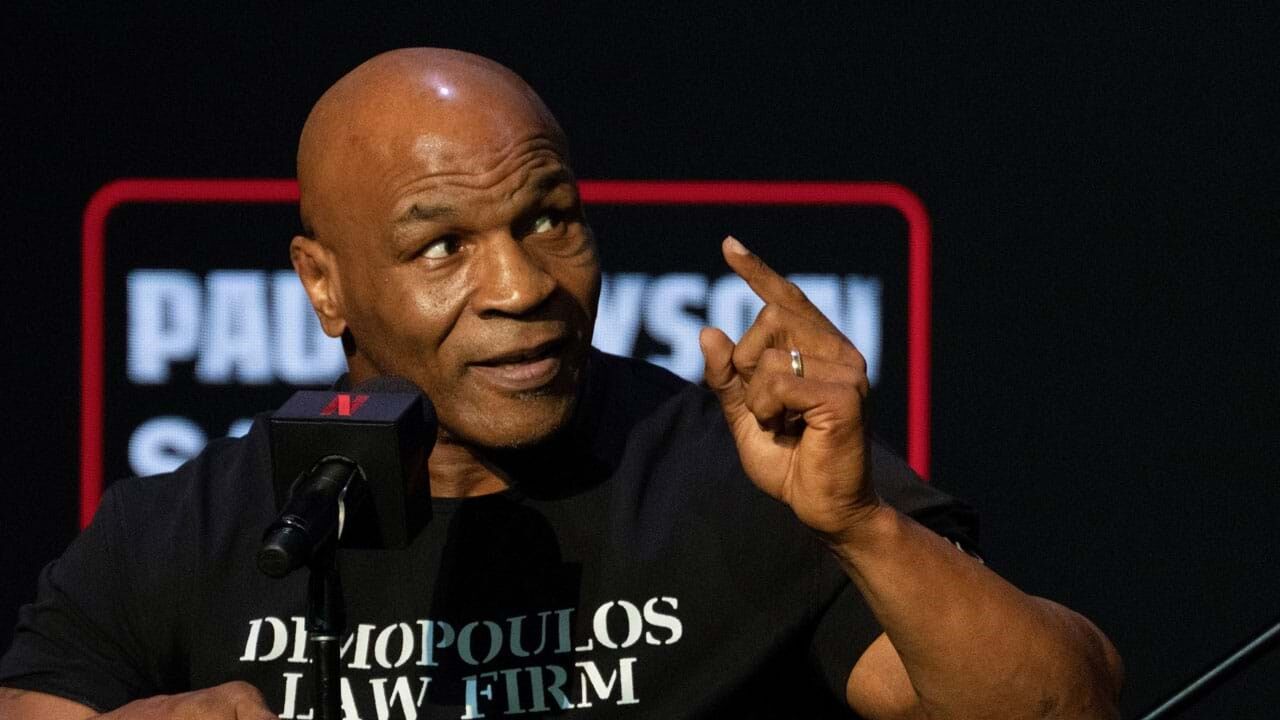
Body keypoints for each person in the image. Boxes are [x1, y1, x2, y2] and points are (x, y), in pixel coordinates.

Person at [0, 48, 1123, 719]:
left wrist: (862, 527)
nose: (523, 286)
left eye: (548, 219)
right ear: (324, 284)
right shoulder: (182, 531)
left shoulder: (740, 477)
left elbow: (1065, 707)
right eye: (442, 245)